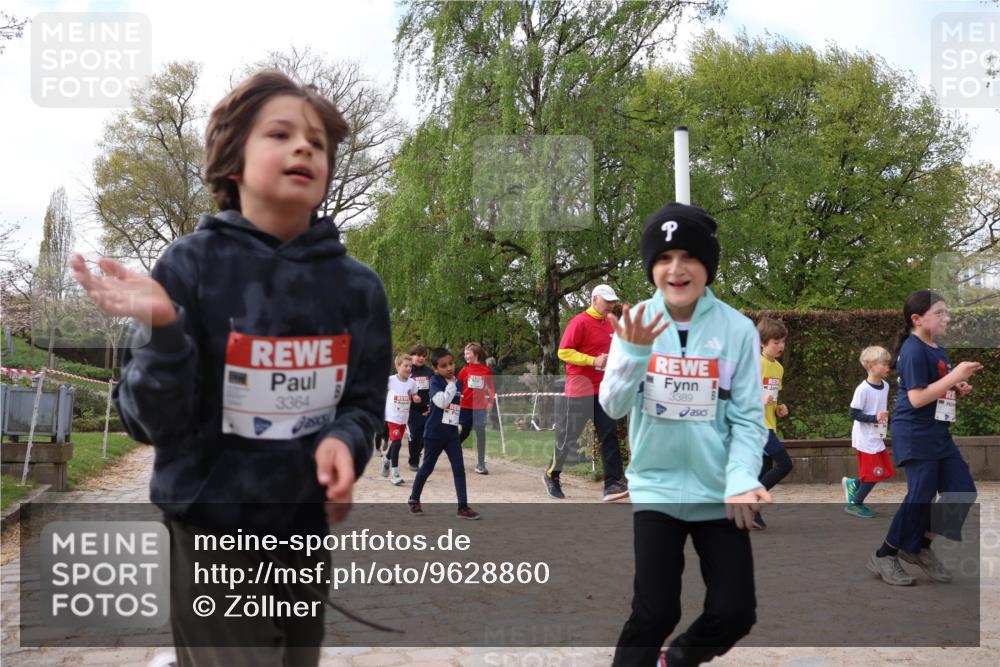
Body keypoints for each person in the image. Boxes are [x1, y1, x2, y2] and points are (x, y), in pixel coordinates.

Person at [71, 70, 391, 667]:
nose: (303, 147)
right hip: (210, 529)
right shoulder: (187, 268)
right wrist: (166, 331)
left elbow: (364, 402)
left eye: (317, 142)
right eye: (280, 133)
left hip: (303, 530)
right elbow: (147, 422)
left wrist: (347, 442)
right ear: (232, 162)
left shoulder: (359, 289)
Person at [600, 202, 770, 667]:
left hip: (718, 491)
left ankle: (673, 661)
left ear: (707, 265)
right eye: (663, 258)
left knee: (735, 612)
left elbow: (749, 419)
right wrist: (634, 353)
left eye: (689, 256)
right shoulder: (634, 325)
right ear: (651, 267)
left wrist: (740, 478)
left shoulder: (736, 329)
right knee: (655, 612)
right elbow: (612, 405)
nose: (676, 269)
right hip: (656, 488)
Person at [868, 290, 982, 586]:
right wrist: (954, 376)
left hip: (937, 433)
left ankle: (920, 545)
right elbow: (917, 398)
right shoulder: (913, 349)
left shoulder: (936, 349)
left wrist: (955, 388)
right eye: (940, 312)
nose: (947, 317)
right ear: (917, 319)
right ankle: (885, 554)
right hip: (915, 432)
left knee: (962, 490)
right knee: (920, 496)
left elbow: (934, 388)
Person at [544, 283, 628, 502]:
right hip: (580, 390)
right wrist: (592, 360)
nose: (610, 305)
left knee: (609, 435)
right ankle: (552, 474)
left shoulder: (610, 325)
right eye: (607, 301)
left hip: (603, 390)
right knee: (569, 438)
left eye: (612, 301)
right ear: (594, 300)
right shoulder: (579, 322)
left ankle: (612, 484)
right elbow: (563, 351)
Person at [408, 347, 482, 519]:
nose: (449, 368)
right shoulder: (435, 381)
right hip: (434, 434)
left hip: (451, 434)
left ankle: (463, 507)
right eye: (444, 366)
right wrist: (450, 385)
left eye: (451, 363)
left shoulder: (458, 382)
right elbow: (441, 402)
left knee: (459, 469)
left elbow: (457, 404)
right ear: (436, 368)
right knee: (427, 468)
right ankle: (414, 499)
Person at [841, 345, 894, 518]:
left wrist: (888, 421)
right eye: (884, 364)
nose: (887, 367)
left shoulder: (885, 386)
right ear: (871, 366)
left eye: (888, 364)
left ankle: (854, 484)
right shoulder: (862, 389)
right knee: (874, 473)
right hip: (865, 438)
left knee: (883, 470)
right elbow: (854, 413)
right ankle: (855, 504)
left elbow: (881, 409)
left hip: (877, 436)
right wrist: (874, 418)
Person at [753, 316, 793, 530]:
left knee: (763, 471)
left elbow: (772, 397)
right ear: (762, 343)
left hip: (769, 424)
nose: (781, 346)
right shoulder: (754, 364)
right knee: (785, 463)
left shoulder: (778, 368)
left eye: (783, 342)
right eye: (775, 342)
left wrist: (779, 408)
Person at [458, 341, 495, 474]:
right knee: (464, 432)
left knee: (481, 434)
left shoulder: (486, 370)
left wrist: (490, 402)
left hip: (480, 408)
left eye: (468, 353)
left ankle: (480, 464)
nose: (466, 356)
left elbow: (491, 388)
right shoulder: (464, 370)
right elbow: (457, 387)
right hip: (465, 407)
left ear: (476, 354)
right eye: (465, 353)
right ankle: (453, 453)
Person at [383, 353, 419, 485]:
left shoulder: (412, 383)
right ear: (398, 366)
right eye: (406, 366)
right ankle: (395, 472)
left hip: (404, 417)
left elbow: (414, 394)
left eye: (410, 366)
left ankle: (386, 459)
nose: (409, 368)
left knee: (396, 442)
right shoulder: (390, 380)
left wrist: (416, 398)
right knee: (397, 443)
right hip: (392, 417)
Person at [407, 344, 433, 471]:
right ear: (411, 356)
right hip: (411, 409)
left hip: (426, 409)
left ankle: (417, 452)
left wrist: (432, 405)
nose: (421, 358)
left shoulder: (429, 372)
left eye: (423, 356)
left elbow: (434, 389)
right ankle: (413, 462)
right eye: (418, 355)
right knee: (414, 435)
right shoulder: (407, 371)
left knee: (426, 436)